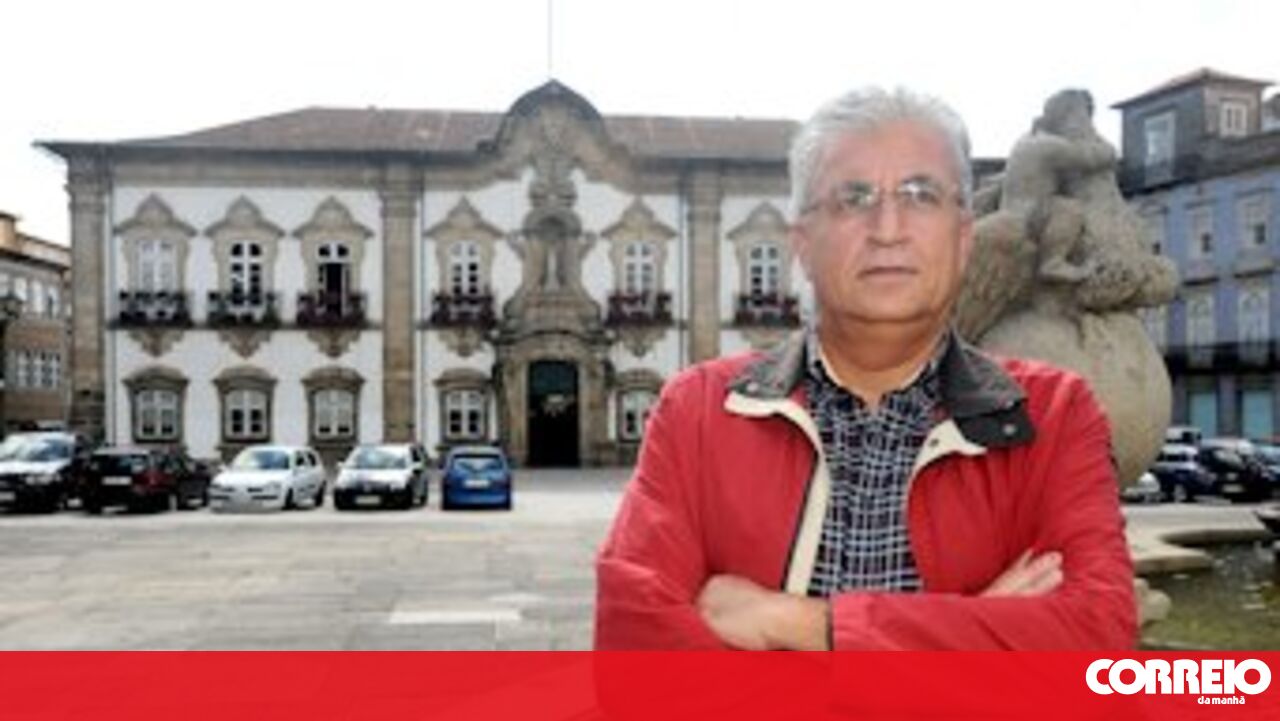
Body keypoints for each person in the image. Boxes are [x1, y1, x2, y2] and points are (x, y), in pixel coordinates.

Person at [593, 86, 1136, 650]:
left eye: (921, 195)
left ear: (963, 238)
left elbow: (1098, 645)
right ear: (802, 244)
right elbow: (635, 651)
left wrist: (801, 625)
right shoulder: (699, 413)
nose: (888, 228)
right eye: (853, 198)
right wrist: (977, 642)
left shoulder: (1051, 417)